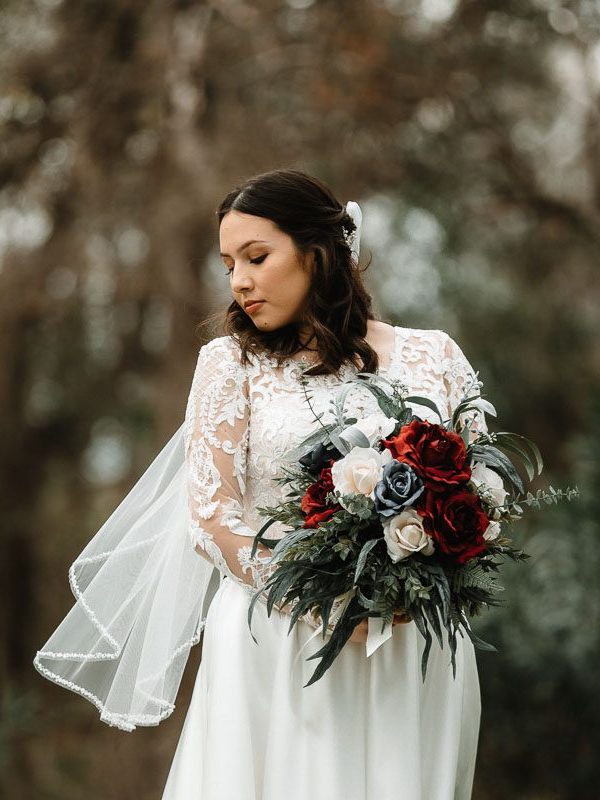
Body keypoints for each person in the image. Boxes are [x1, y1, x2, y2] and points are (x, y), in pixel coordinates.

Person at [34, 168, 489, 799]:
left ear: (317, 253)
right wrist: (322, 596)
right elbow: (211, 517)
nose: (239, 281)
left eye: (256, 257)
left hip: (412, 641)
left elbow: (483, 491)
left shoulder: (435, 356)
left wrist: (420, 577)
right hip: (279, 639)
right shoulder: (231, 364)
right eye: (228, 265)